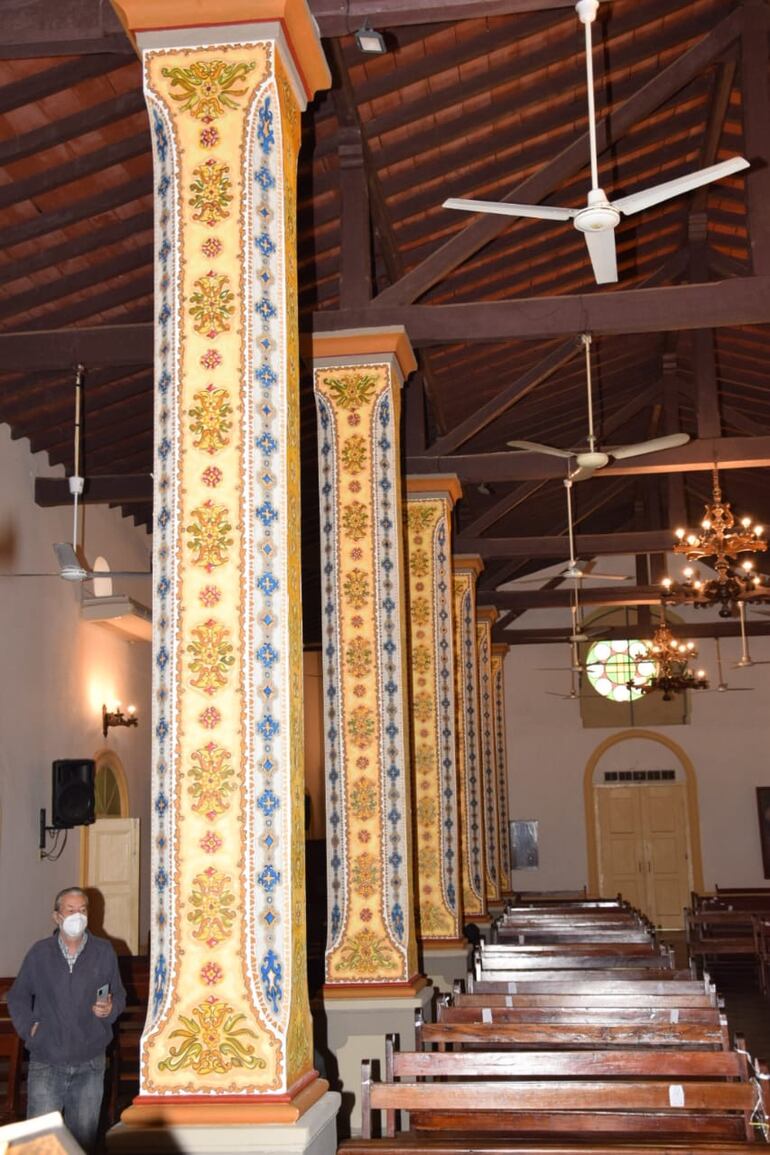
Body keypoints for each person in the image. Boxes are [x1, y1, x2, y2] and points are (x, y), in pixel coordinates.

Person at [7, 886, 126, 1153]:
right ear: (57, 917)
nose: (78, 916)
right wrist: (31, 1030)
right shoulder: (40, 953)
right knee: (40, 1144)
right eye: (70, 910)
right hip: (47, 1062)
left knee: (81, 1143)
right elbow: (18, 996)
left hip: (90, 1063)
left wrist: (110, 1008)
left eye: (83, 910)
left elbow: (119, 994)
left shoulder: (103, 951)